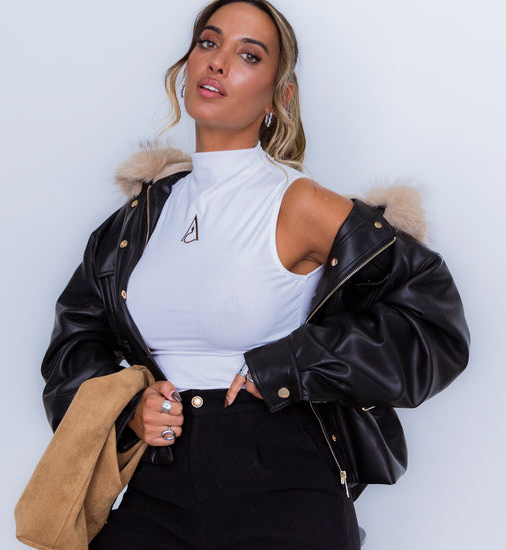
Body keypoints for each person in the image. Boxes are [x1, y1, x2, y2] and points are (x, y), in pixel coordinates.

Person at [40, 1, 470, 549]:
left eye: (248, 55)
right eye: (208, 42)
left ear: (277, 97)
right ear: (187, 64)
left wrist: (292, 363)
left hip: (283, 481)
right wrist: (128, 412)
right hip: (158, 483)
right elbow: (74, 340)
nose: (217, 62)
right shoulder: (140, 219)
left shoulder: (300, 203)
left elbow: (435, 324)